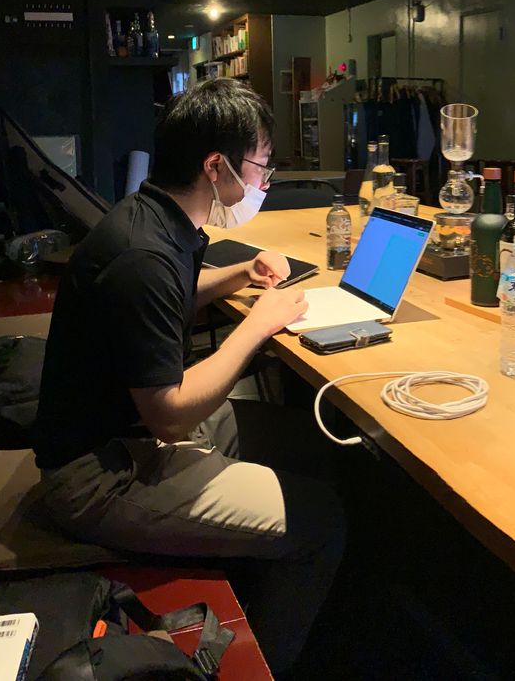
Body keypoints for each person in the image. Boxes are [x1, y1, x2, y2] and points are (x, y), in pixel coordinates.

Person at [29, 78, 343, 674]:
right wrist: (259, 325)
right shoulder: (143, 254)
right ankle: (262, 665)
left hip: (128, 433)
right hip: (100, 475)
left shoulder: (152, 217)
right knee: (322, 521)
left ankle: (260, 565)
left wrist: (241, 274)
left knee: (307, 440)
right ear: (215, 166)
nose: (264, 183)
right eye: (260, 167)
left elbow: (169, 296)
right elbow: (169, 415)